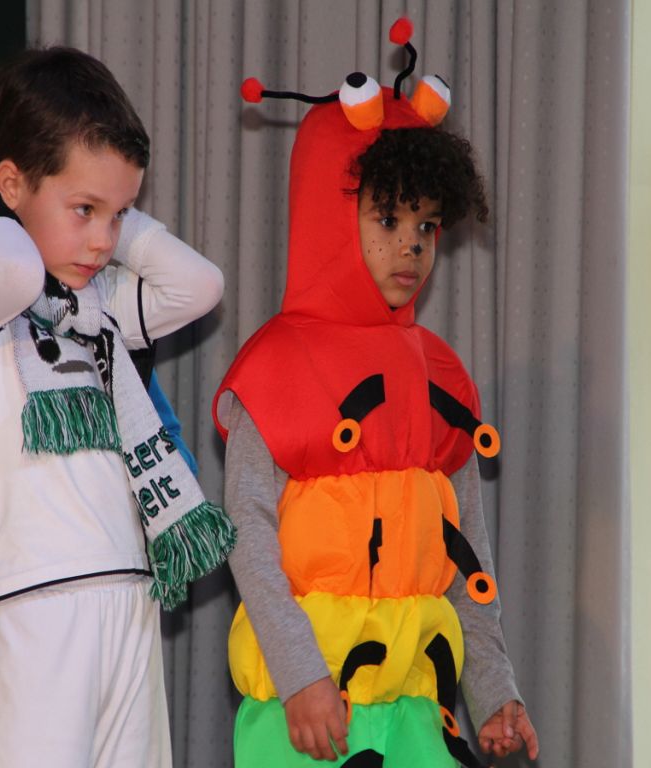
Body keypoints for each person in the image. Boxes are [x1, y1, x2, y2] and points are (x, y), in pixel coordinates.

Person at [214, 21, 538, 768]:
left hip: (417, 710)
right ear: (330, 218)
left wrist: (493, 689)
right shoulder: (277, 364)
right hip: (310, 713)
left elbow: (466, 552)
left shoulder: (441, 375)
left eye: (427, 224)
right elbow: (249, 535)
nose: (411, 245)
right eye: (388, 218)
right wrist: (300, 676)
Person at [0, 47, 234, 767]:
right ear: (9, 183)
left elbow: (200, 285)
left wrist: (108, 205)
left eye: (118, 216)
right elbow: (12, 271)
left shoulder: (100, 302)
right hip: (30, 610)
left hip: (129, 598)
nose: (103, 241)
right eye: (84, 210)